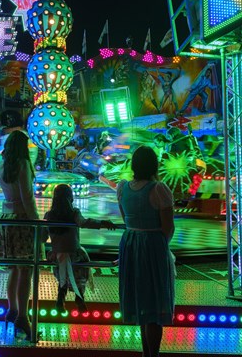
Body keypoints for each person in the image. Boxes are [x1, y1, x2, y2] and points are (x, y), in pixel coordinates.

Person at [117, 146, 175, 357]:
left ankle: (145, 353)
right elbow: (168, 226)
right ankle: (153, 354)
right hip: (152, 246)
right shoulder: (159, 189)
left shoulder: (123, 188)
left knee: (141, 301)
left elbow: (126, 219)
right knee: (154, 302)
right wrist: (160, 248)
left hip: (130, 243)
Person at [0, 130, 39, 341]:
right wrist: (37, 223)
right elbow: (28, 198)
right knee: (26, 270)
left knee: (14, 268)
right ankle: (23, 315)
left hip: (5, 218)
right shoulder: (22, 165)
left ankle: (12, 309)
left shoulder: (0, 165)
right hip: (22, 219)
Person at [45, 184, 115, 314]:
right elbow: (84, 222)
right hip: (74, 253)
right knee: (80, 277)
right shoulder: (74, 212)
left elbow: (43, 235)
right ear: (70, 198)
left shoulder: (49, 215)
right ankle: (80, 297)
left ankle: (60, 299)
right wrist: (102, 223)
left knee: (62, 277)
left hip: (57, 254)